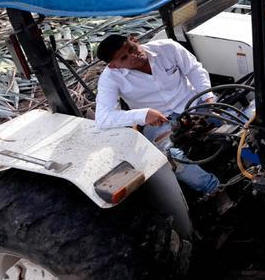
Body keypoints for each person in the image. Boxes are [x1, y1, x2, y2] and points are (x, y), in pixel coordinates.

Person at [95, 34, 224, 198]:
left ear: (134, 40)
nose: (134, 56)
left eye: (132, 49)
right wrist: (143, 114)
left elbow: (194, 70)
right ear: (114, 65)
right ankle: (214, 188)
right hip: (159, 124)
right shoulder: (109, 79)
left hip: (194, 104)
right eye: (124, 57)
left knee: (238, 120)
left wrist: (209, 100)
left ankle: (257, 159)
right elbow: (103, 117)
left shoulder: (168, 48)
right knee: (171, 157)